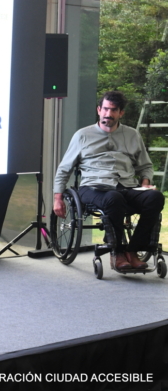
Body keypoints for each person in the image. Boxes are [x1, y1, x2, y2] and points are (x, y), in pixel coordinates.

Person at [54, 91, 164, 271]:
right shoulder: (82, 135)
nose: (108, 114)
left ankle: (133, 250)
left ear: (121, 113)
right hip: (93, 187)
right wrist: (57, 198)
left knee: (155, 197)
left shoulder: (132, 135)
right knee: (114, 197)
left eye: (113, 110)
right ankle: (117, 252)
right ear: (99, 110)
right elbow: (64, 168)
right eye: (105, 109)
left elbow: (146, 165)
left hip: (127, 186)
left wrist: (145, 184)